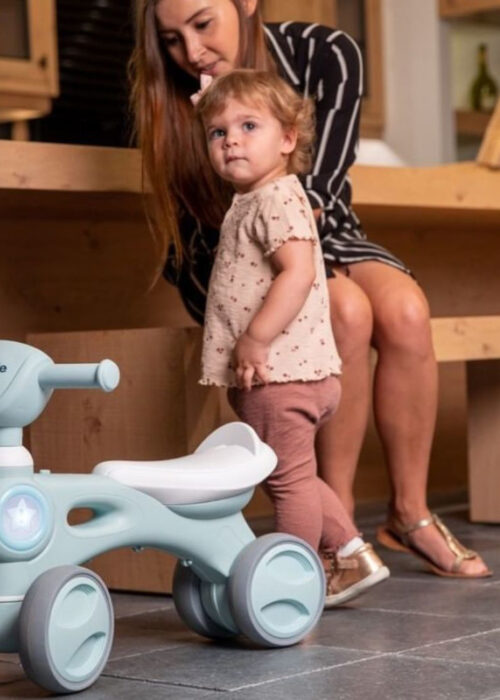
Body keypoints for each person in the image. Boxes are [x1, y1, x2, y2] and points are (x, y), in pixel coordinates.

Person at [130, 0, 490, 577]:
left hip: (313, 222)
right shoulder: (172, 95)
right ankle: (336, 519)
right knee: (346, 308)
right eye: (172, 39)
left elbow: (315, 193)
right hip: (226, 256)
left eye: (202, 24)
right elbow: (205, 228)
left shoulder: (325, 53)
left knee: (405, 310)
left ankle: (409, 513)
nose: (191, 52)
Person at [195, 68, 389, 605]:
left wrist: (255, 339)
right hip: (290, 374)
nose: (231, 140)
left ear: (287, 139)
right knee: (293, 473)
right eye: (217, 132)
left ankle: (292, 585)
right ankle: (351, 553)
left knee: (286, 483)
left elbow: (298, 274)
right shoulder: (258, 198)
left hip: (281, 375)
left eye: (248, 126)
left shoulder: (274, 199)